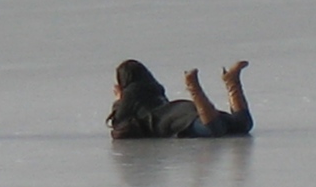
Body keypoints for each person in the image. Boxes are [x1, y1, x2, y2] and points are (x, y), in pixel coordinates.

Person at [107, 59, 253, 139]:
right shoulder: (156, 89)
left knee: (214, 128)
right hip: (186, 108)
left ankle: (193, 87)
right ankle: (231, 82)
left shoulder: (131, 94)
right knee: (242, 125)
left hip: (179, 119)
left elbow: (119, 127)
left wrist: (120, 99)